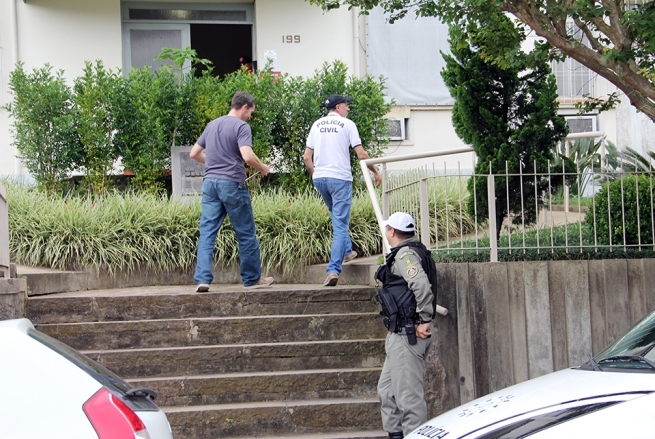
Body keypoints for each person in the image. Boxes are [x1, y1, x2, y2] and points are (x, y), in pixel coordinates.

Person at [190, 91, 274, 292]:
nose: (250, 116)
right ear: (244, 107)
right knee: (245, 232)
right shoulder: (241, 126)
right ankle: (252, 279)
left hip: (210, 184)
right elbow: (247, 156)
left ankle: (202, 279)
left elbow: (194, 153)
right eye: (250, 112)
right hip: (232, 185)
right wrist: (262, 167)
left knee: (207, 232)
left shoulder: (212, 125)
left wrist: (212, 162)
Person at [303, 94, 382, 286]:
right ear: (338, 107)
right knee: (340, 224)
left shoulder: (316, 125)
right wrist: (376, 172)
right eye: (346, 105)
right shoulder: (347, 125)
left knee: (336, 217)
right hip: (340, 179)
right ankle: (333, 270)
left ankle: (347, 250)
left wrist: (315, 173)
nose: (348, 109)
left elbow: (306, 157)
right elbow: (361, 154)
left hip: (320, 178)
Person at [375, 212, 437, 438]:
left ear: (392, 231)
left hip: (408, 334)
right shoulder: (410, 251)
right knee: (387, 392)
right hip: (400, 334)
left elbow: (421, 285)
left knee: (408, 400)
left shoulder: (405, 255)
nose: (385, 232)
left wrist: (424, 319)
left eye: (387, 228)